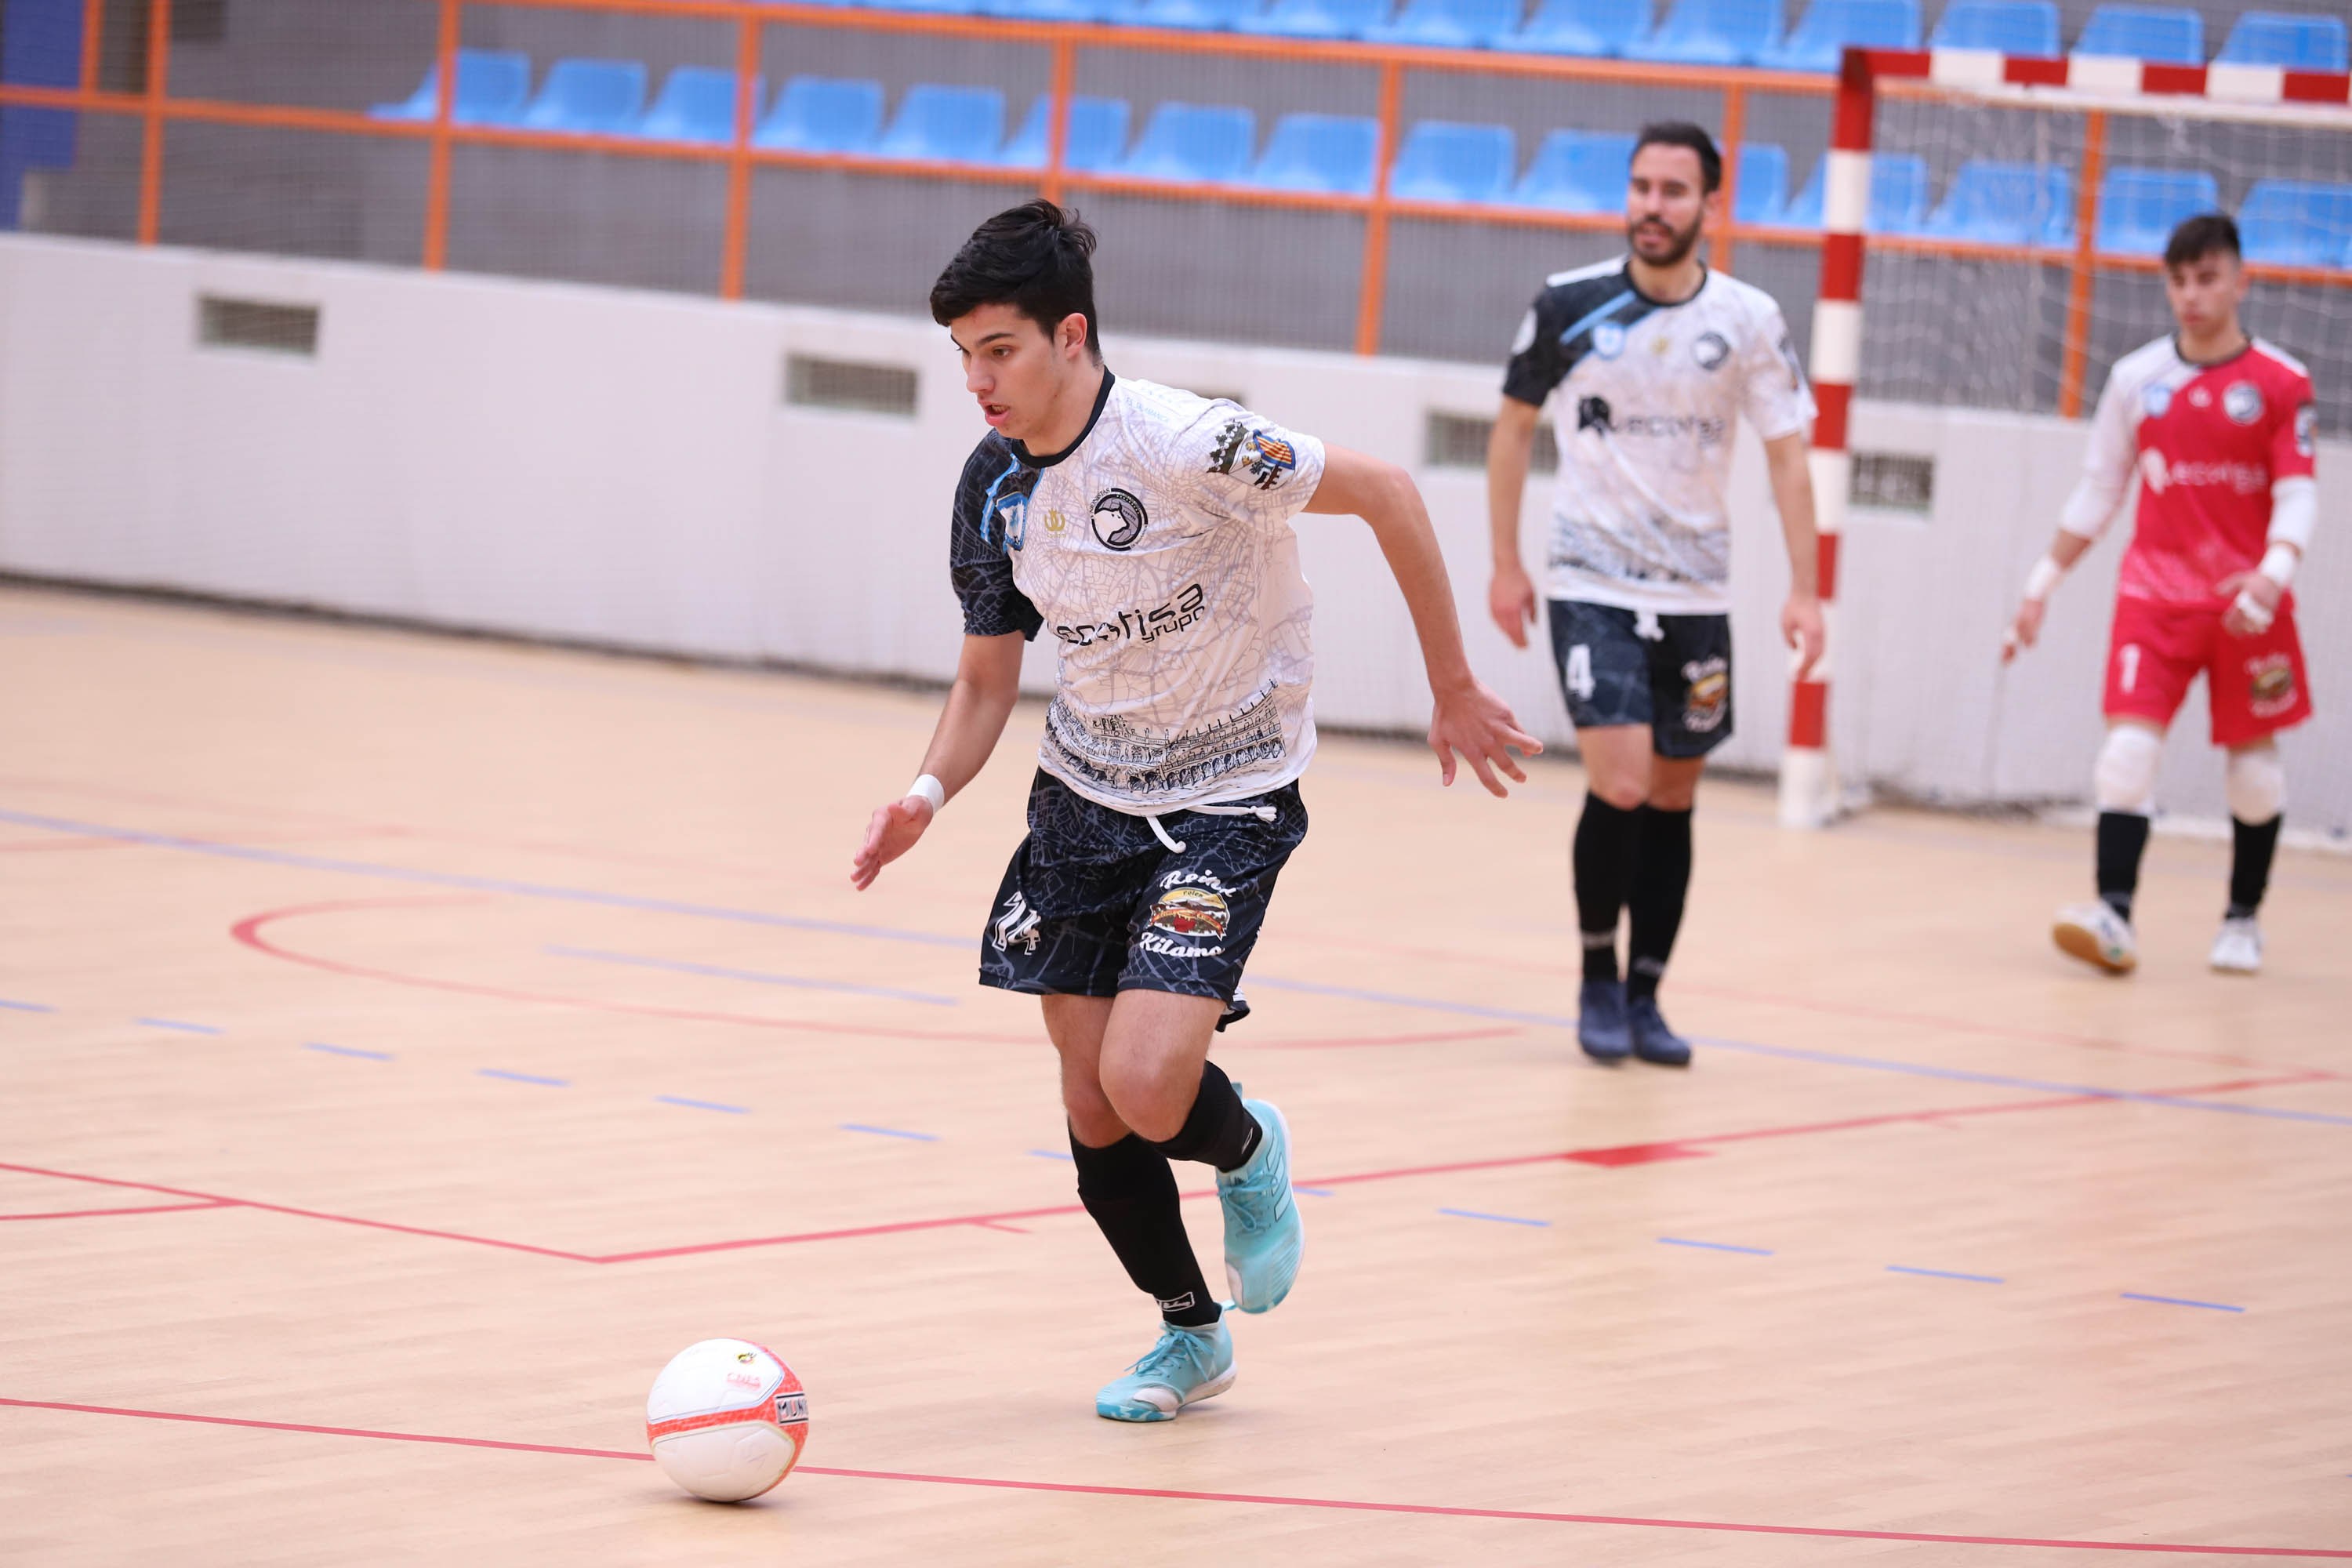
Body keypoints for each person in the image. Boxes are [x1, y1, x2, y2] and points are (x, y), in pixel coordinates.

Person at [851, 200, 1538, 1423]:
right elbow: (984, 679)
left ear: (1071, 335)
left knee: (1153, 1086)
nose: (977, 381)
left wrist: (1452, 683)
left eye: (998, 350)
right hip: (1082, 801)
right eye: (961, 355)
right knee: (1090, 1100)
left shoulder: (1191, 445)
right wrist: (923, 792)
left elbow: (1384, 492)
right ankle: (1189, 1337)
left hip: (1225, 794)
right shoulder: (994, 484)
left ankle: (1249, 1149)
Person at [1485, 122, 1824, 1068]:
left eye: (1674, 191)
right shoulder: (1568, 304)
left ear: (1711, 206)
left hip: (1697, 593)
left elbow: (1789, 459)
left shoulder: (1750, 319)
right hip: (1591, 581)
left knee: (1674, 795)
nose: (1651, 206)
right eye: (1641, 187)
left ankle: (1647, 996)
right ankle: (1598, 977)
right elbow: (1511, 432)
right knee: (1622, 780)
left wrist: (1806, 590)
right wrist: (1506, 563)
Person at [2003, 212, 2316, 977]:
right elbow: (2099, 490)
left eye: (2207, 277)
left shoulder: (2282, 381)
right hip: (2156, 597)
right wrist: (2041, 583)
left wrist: (2272, 574)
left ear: (2242, 281)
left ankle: (2242, 917)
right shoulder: (2137, 380)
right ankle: (2114, 913)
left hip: (2250, 605)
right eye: (2179, 279)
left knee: (2255, 774)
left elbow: (2298, 492)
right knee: (2125, 756)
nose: (2192, 294)